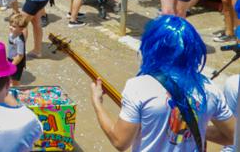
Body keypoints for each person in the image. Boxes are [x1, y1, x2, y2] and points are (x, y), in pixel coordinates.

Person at [91, 15, 234, 151]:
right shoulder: (209, 87)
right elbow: (233, 136)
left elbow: (120, 142)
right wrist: (193, 126)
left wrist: (97, 103)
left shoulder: (138, 87)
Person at [7, 14, 29, 86]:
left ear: (21, 29)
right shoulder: (12, 34)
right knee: (10, 77)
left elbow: (20, 55)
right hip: (11, 58)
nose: (10, 27)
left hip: (17, 62)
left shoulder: (19, 40)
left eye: (14, 26)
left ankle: (15, 91)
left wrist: (12, 65)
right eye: (10, 25)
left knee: (15, 79)